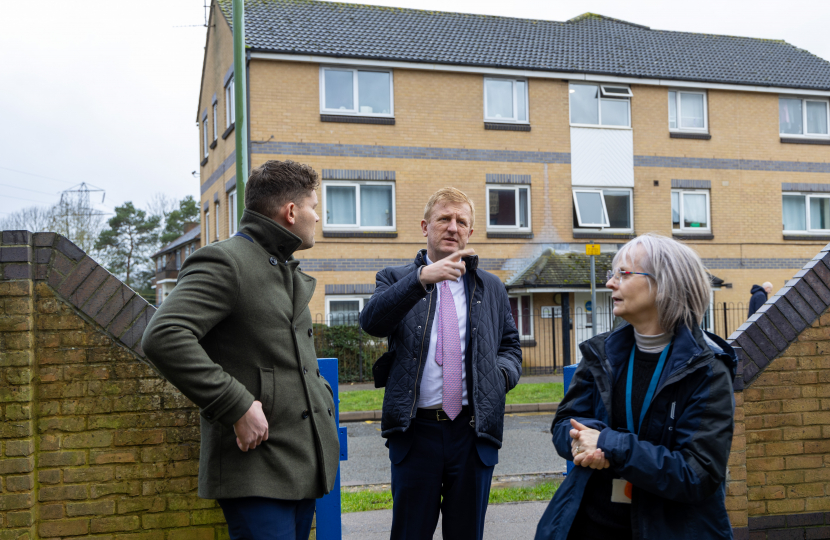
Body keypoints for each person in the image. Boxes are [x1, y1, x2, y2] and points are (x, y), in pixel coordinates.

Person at [141, 160, 339, 540]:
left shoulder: (283, 267)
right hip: (256, 469)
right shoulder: (226, 260)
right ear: (292, 211)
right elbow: (164, 335)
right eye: (315, 206)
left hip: (300, 464)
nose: (319, 217)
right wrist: (237, 405)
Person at [535, 233, 737, 540]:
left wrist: (609, 445)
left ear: (665, 284)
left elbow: (697, 473)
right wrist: (582, 442)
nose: (610, 283)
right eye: (611, 274)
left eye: (624, 274)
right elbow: (564, 423)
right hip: (589, 526)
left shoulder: (707, 369)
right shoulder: (600, 353)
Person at [359, 187, 522, 540]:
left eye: (461, 221)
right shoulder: (394, 278)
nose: (453, 227)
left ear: (470, 233)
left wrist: (500, 376)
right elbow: (372, 322)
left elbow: (510, 346)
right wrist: (420, 280)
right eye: (444, 219)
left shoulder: (491, 287)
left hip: (472, 432)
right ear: (424, 226)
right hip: (416, 433)